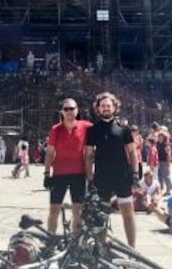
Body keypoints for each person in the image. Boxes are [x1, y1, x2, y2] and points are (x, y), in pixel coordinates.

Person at [85, 91, 138, 247]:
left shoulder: (124, 129)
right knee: (100, 215)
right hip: (102, 177)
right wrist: (89, 178)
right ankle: (101, 248)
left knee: (128, 214)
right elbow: (88, 155)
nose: (106, 108)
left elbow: (132, 152)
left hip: (122, 176)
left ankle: (132, 248)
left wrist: (134, 173)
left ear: (115, 107)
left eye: (108, 105)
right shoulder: (93, 130)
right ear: (98, 109)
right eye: (103, 106)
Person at [43, 98, 92, 233]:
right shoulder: (56, 129)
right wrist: (47, 173)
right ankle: (50, 240)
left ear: (77, 110)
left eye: (72, 108)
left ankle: (74, 242)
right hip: (59, 174)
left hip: (78, 174)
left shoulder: (86, 126)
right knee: (54, 210)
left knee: (78, 211)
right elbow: (50, 153)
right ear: (62, 112)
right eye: (66, 109)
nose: (69, 111)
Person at [156, 131, 172, 196]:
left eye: (161, 136)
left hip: (164, 161)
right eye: (159, 136)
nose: (160, 137)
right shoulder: (157, 143)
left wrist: (168, 162)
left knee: (166, 175)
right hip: (158, 161)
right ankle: (161, 189)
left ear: (164, 137)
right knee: (159, 176)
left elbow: (168, 154)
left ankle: (168, 190)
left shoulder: (166, 144)